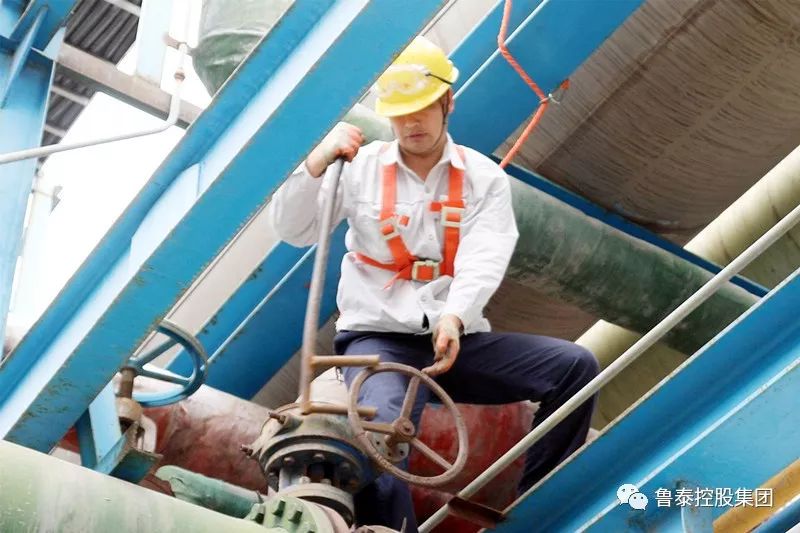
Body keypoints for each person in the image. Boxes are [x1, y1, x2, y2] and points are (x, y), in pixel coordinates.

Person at [269, 36, 599, 532]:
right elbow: (293, 230)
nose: (411, 123)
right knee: (380, 439)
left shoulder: (482, 179)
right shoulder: (359, 169)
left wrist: (455, 316)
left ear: (447, 101)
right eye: (400, 114)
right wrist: (315, 165)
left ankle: (540, 507)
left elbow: (485, 256)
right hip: (378, 342)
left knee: (575, 367)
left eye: (422, 109)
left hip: (454, 340)